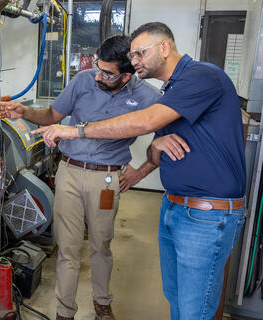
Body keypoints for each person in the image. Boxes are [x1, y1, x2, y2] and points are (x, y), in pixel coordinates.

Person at [32, 22, 247, 320]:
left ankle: (101, 303)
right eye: (132, 55)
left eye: (139, 53)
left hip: (206, 214)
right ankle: (64, 311)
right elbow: (157, 146)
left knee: (194, 307)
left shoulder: (200, 77)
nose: (135, 60)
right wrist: (148, 161)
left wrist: (74, 131)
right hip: (175, 206)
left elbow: (144, 123)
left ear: (164, 47)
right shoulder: (172, 89)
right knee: (179, 300)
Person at [0, 35, 160, 320]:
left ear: (127, 75)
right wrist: (26, 112)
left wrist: (143, 169)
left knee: (101, 245)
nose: (98, 75)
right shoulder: (84, 80)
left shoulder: (147, 97)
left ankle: (102, 304)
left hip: (105, 180)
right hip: (69, 172)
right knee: (68, 247)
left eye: (107, 72)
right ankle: (64, 311)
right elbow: (52, 115)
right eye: (98, 66)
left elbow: (169, 129)